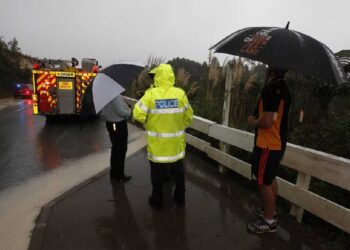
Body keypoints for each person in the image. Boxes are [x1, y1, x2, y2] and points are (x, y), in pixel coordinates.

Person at [133, 64, 193, 209]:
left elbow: (137, 114)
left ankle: (157, 200)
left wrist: (148, 122)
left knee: (156, 175)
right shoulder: (180, 94)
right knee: (179, 174)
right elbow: (189, 117)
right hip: (176, 146)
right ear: (171, 76)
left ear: (158, 76)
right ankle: (180, 199)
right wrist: (178, 126)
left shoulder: (151, 95)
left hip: (158, 147)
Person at [247, 66, 291, 233]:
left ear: (271, 70)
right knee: (270, 178)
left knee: (263, 181)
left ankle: (269, 221)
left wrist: (252, 122)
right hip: (277, 143)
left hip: (268, 144)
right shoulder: (283, 88)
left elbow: (267, 122)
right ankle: (270, 210)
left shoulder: (273, 89)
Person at [100, 94, 132, 182]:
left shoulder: (104, 96)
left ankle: (113, 173)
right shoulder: (115, 95)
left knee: (115, 148)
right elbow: (121, 111)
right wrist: (130, 112)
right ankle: (119, 175)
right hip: (118, 125)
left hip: (110, 124)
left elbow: (102, 114)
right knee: (121, 150)